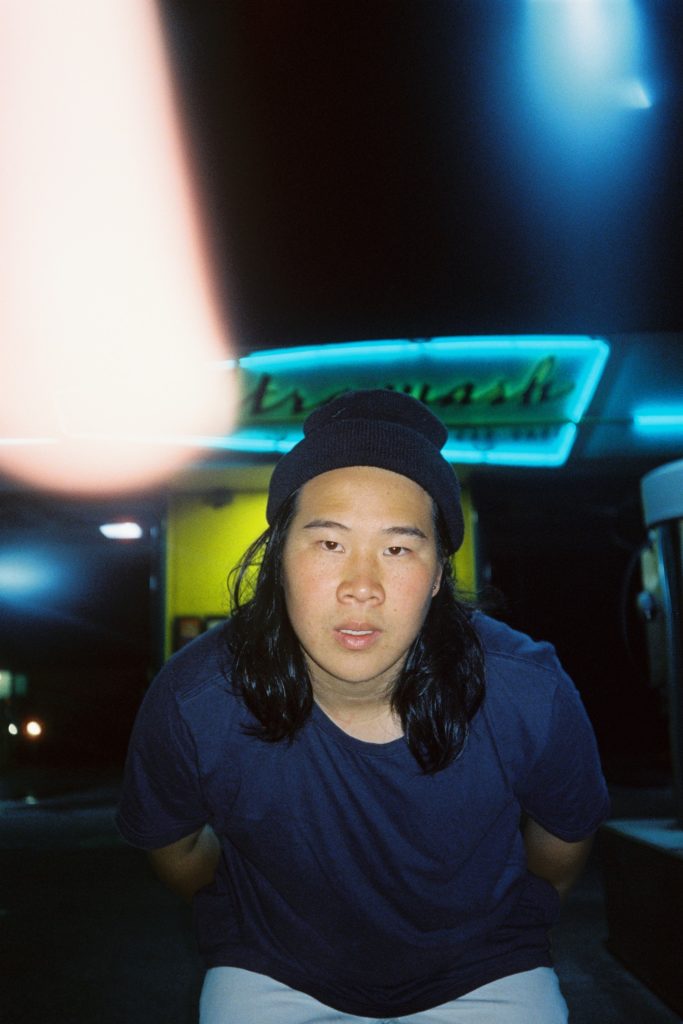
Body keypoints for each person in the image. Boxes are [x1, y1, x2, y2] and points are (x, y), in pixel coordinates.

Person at [116, 388, 610, 1023]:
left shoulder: (528, 690)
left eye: (398, 548)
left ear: (438, 575)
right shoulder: (196, 697)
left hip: (488, 968)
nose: (361, 587)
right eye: (329, 544)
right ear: (278, 559)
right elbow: (181, 856)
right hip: (272, 968)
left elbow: (560, 852)